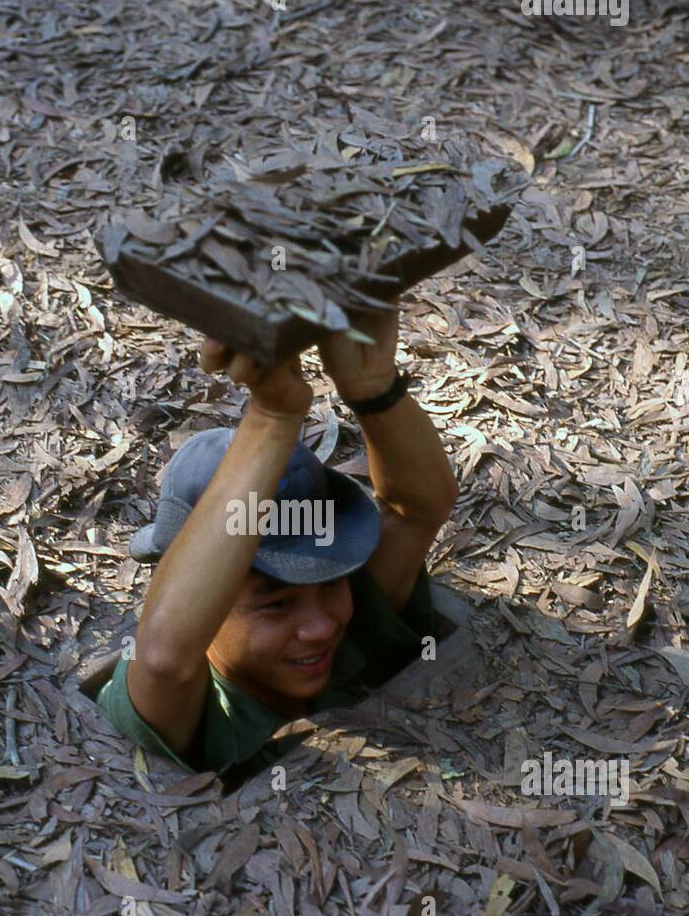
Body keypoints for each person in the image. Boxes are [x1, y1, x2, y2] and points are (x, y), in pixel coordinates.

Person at [96, 304, 459, 787]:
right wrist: (272, 415)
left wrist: (373, 388)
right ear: (207, 600)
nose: (320, 627)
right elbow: (163, 660)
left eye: (330, 583)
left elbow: (418, 509)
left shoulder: (351, 624)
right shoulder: (193, 708)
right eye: (277, 602)